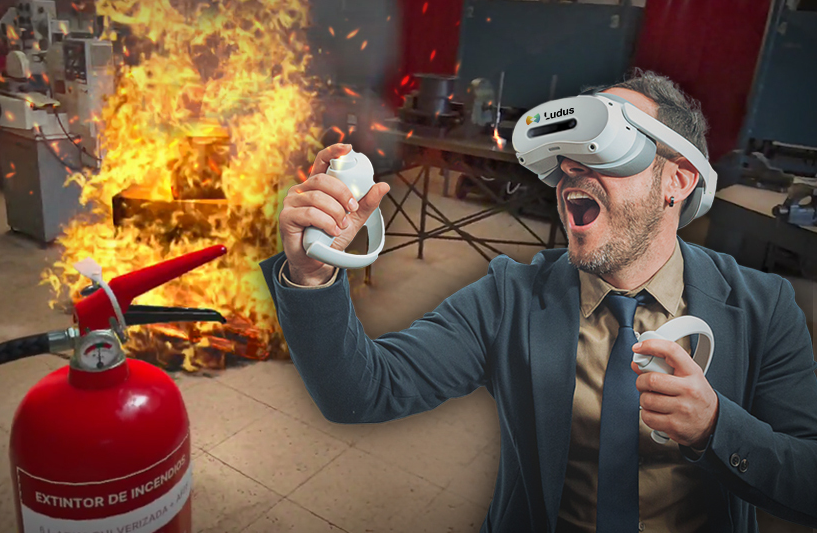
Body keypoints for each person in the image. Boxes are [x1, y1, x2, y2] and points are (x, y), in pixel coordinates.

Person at [259, 70, 817, 532]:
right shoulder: (511, 297)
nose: (572, 171)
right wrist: (310, 275)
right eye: (566, 159)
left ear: (678, 179)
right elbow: (360, 392)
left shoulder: (764, 309)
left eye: (602, 152)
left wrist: (717, 426)